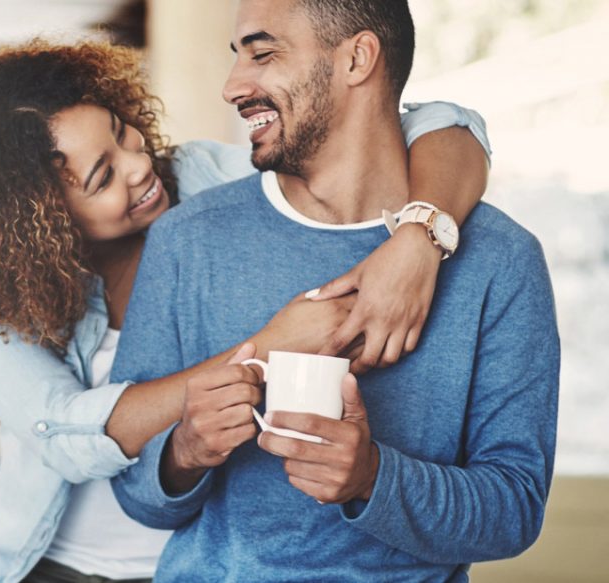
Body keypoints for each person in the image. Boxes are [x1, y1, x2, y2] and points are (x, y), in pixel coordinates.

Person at [0, 38, 491, 583]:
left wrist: (420, 237)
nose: (140, 166)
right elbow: (60, 432)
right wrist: (265, 347)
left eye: (121, 132)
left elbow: (444, 123)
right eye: (102, 177)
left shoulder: (207, 179)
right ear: (39, 223)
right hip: (51, 564)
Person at [109, 1, 560, 581]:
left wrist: (372, 477)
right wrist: (185, 452)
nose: (232, 87)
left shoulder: (501, 260)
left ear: (357, 58)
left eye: (263, 53)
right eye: (236, 57)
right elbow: (134, 495)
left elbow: (514, 512)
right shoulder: (187, 240)